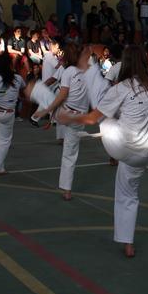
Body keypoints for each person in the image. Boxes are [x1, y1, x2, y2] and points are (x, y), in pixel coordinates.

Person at [57, 45, 148, 258]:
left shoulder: (122, 88)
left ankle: (90, 67)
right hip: (144, 153)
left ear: (125, 64)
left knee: (101, 101)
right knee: (129, 195)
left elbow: (92, 119)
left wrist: (69, 117)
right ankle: (128, 244)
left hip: (121, 146)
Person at [33, 43, 89, 201]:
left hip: (66, 114)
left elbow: (62, 95)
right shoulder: (87, 72)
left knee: (43, 93)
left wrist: (46, 111)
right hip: (80, 118)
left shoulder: (68, 71)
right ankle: (67, 190)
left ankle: (33, 94)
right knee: (70, 154)